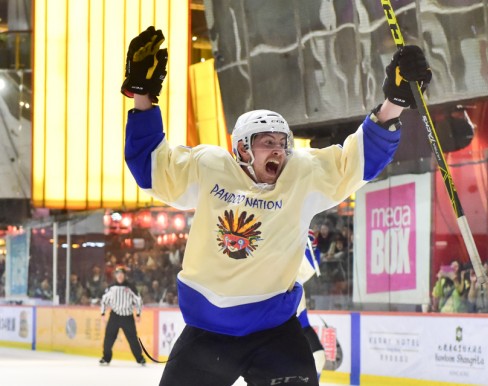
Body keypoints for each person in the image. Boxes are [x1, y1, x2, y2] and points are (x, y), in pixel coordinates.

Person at [121, 26, 431, 385]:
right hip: (208, 332)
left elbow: (356, 162)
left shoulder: (302, 173)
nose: (278, 150)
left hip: (274, 332)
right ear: (241, 149)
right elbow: (151, 169)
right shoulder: (209, 167)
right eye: (267, 142)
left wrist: (394, 102)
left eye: (282, 142)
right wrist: (142, 96)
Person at [99, 266, 146, 366]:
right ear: (115, 276)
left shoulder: (130, 287)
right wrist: (102, 313)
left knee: (132, 339)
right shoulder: (111, 287)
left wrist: (138, 313)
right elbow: (104, 300)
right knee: (108, 338)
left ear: (124, 276)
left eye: (122, 274)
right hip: (114, 316)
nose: (120, 276)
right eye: (118, 274)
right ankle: (106, 358)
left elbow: (138, 300)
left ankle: (140, 358)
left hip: (127, 317)